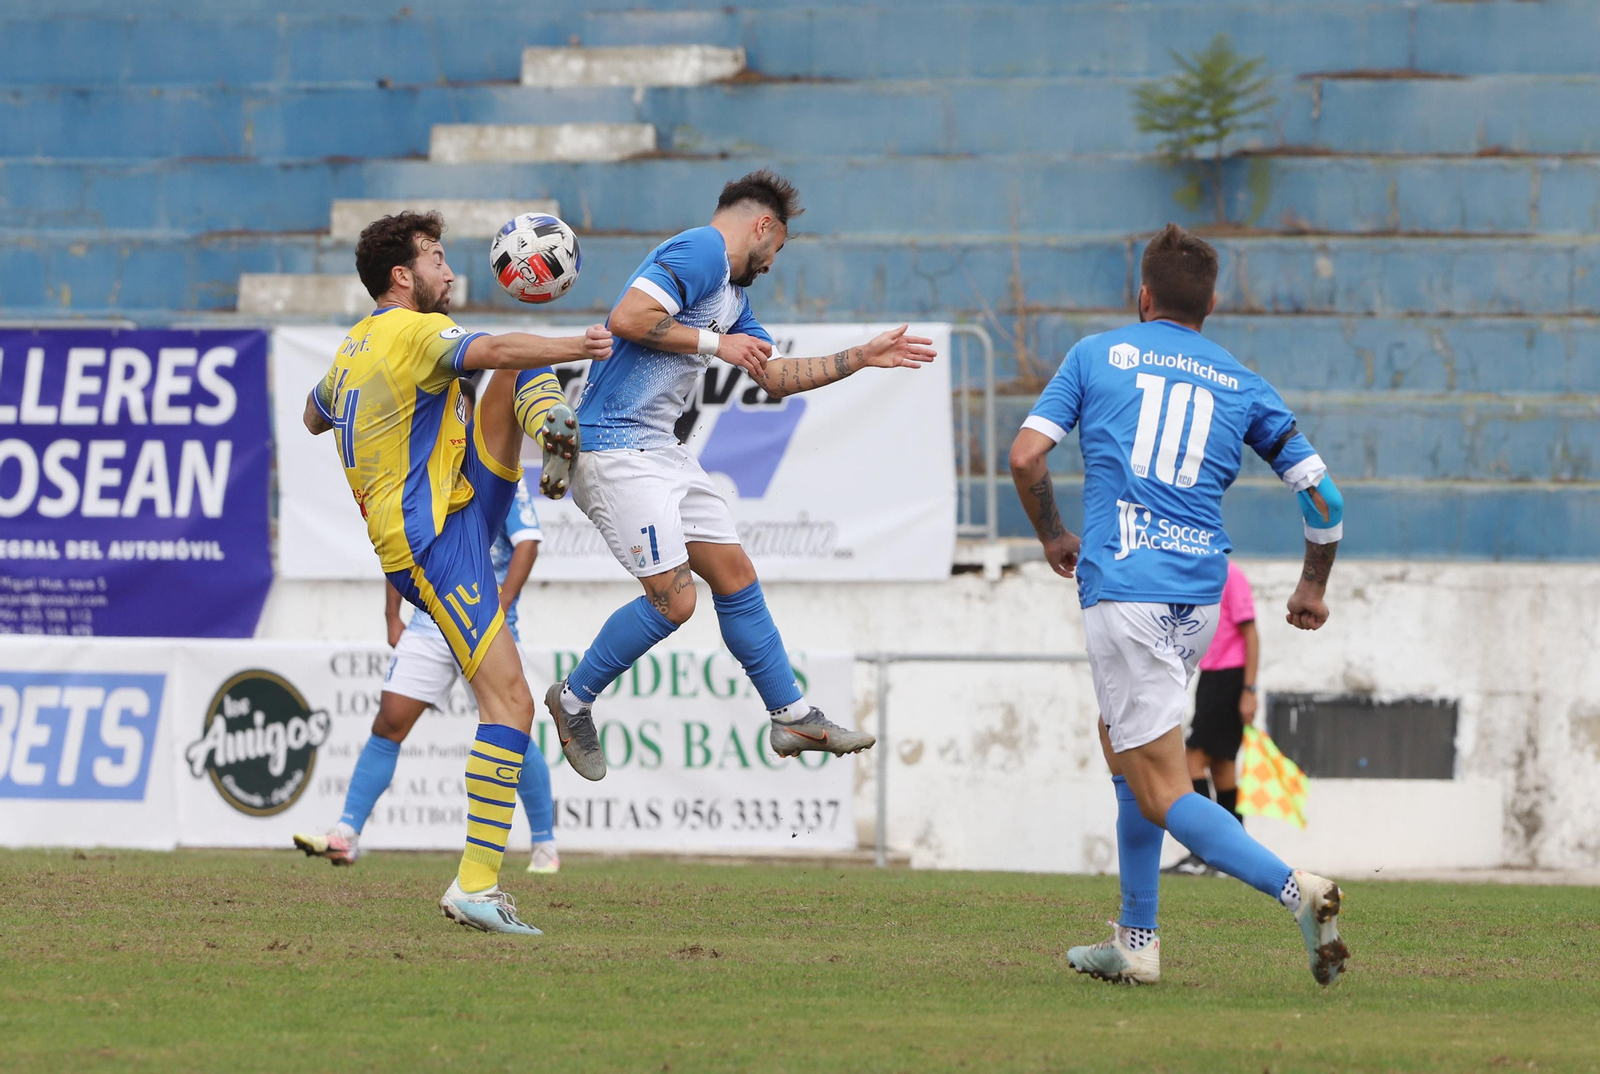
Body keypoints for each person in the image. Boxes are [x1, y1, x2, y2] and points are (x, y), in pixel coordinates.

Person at [1008, 223, 1348, 987]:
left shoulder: (1096, 356)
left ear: (1142, 296)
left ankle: (1299, 891)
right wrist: (1312, 584)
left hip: (1124, 585)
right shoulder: (1242, 380)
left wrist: (1053, 533)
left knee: (1161, 783)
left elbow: (1026, 454)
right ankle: (1136, 941)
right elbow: (1323, 495)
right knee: (1125, 746)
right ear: (1213, 304)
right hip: (1197, 598)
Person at [538, 170, 936, 780]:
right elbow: (628, 316)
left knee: (735, 573)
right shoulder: (699, 248)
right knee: (674, 604)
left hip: (658, 451)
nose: (772, 263)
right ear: (762, 227)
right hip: (613, 447)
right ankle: (571, 700)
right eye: (776, 249)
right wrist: (713, 346)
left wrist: (861, 357)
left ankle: (793, 716)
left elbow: (774, 377)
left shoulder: (734, 301)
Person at [302, 210, 609, 935]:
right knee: (511, 705)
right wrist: (585, 341)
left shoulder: (353, 349)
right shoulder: (411, 331)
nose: (449, 269)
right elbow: (493, 340)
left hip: (459, 508)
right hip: (436, 544)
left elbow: (312, 416)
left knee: (509, 360)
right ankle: (473, 886)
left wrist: (360, 422)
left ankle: (551, 422)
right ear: (402, 275)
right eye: (436, 256)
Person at [293, 461, 561, 876]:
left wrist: (502, 604)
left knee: (513, 730)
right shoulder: (422, 469)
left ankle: (545, 845)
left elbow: (527, 541)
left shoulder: (495, 470)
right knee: (389, 722)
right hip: (429, 621)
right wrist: (391, 615)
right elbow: (401, 544)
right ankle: (346, 835)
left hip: (483, 622)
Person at [1165, 558, 1258, 877]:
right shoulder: (1194, 573)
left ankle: (1202, 853)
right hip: (1211, 675)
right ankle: (1233, 856)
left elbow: (1251, 634)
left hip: (1229, 678)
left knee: (1193, 758)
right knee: (1222, 767)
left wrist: (1249, 688)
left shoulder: (1231, 573)